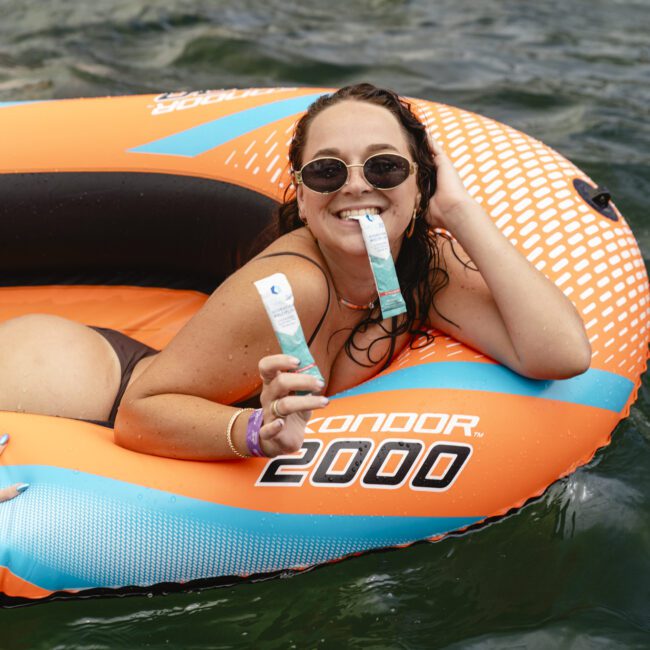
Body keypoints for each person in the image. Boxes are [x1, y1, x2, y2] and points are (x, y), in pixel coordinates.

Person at [0, 83, 591, 502]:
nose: (356, 186)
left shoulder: (420, 266)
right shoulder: (290, 287)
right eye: (327, 172)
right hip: (72, 384)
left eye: (385, 168)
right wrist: (254, 432)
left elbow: (560, 355)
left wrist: (460, 211)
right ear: (303, 198)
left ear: (420, 186)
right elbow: (139, 413)